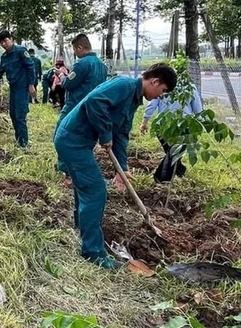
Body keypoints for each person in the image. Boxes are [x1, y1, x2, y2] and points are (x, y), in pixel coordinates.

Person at [54, 63, 177, 268]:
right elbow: (95, 101)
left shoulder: (134, 99)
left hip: (80, 142)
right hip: (72, 140)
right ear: (155, 81)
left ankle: (82, 226)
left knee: (84, 185)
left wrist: (123, 168)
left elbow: (121, 134)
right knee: (95, 191)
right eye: (162, 91)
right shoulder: (124, 85)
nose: (159, 96)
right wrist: (104, 134)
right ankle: (93, 252)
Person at [56, 35, 109, 181]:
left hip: (75, 107)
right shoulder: (102, 65)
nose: (75, 53)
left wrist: (61, 75)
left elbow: (68, 84)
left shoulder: (82, 64)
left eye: (74, 49)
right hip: (93, 110)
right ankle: (81, 169)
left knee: (62, 135)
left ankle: (66, 172)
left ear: (79, 47)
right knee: (85, 140)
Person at [0, 30, 36, 148]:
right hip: (13, 88)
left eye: (5, 41)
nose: (4, 44)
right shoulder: (4, 57)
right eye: (1, 43)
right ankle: (19, 140)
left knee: (20, 115)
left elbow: (30, 67)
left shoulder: (21, 51)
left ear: (11, 39)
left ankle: (24, 144)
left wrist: (31, 84)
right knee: (13, 115)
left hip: (22, 87)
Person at [141, 83, 203, 183]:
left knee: (172, 153)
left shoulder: (162, 85)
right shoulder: (190, 87)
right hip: (183, 127)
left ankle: (179, 171)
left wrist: (145, 121)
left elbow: (152, 104)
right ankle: (163, 180)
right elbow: (198, 109)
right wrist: (200, 124)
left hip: (161, 127)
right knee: (173, 154)